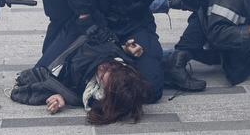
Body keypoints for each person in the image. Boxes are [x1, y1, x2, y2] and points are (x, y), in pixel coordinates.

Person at [10, 25, 151, 125]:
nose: (103, 67)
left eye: (102, 76)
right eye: (111, 69)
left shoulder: (87, 97)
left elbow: (31, 81)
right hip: (80, 26)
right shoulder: (122, 64)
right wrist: (124, 49)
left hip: (67, 41)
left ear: (101, 90)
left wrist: (59, 95)